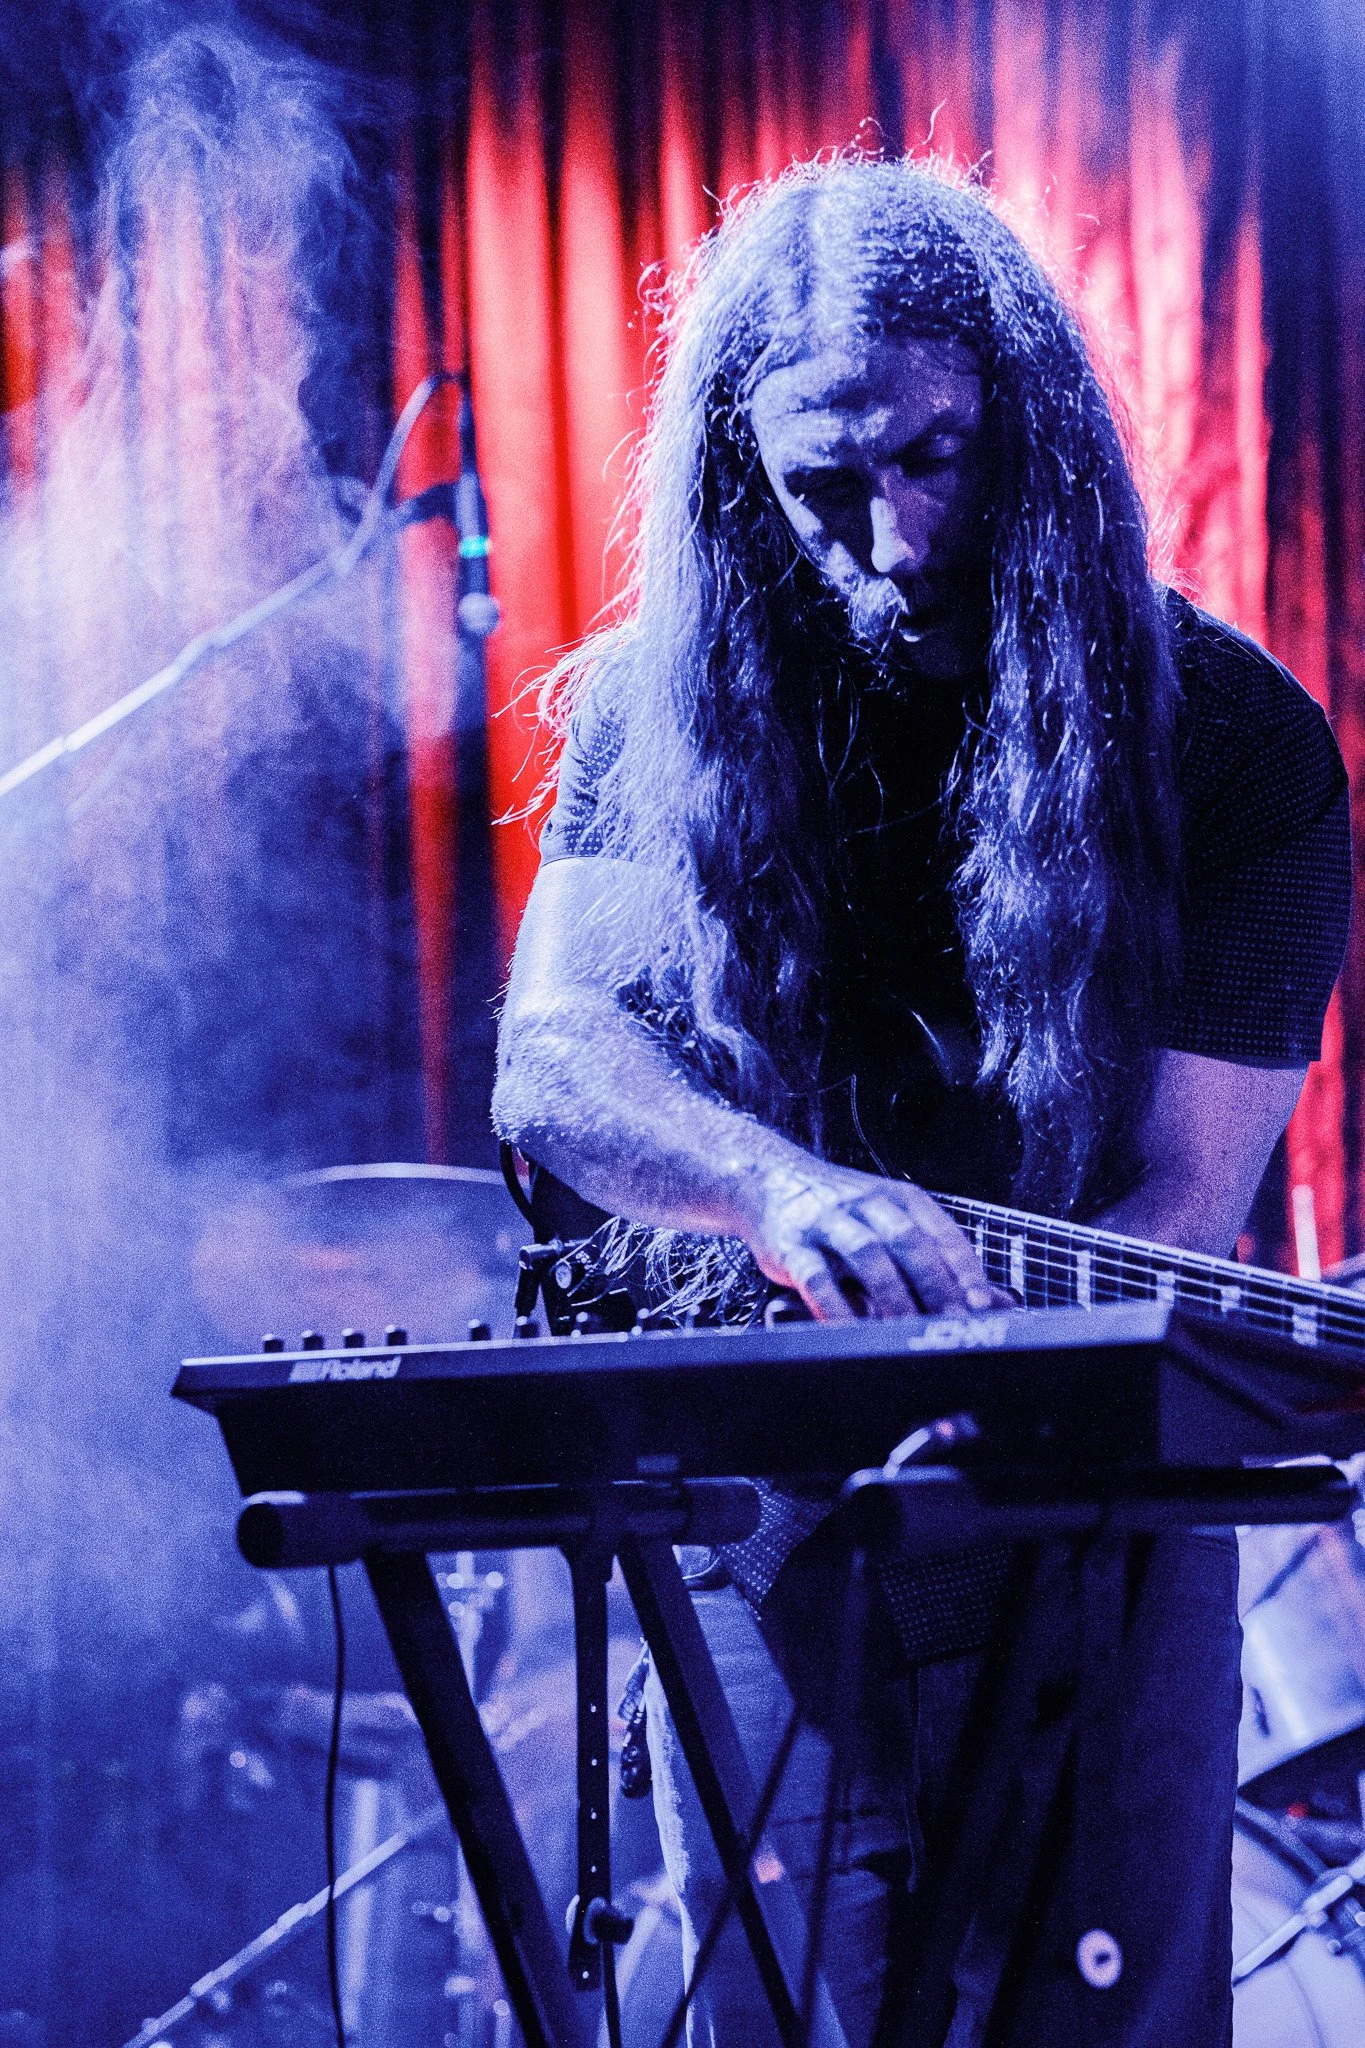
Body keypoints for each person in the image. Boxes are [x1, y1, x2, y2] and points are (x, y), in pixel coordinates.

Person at [492, 156, 1351, 2046]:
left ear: (1028, 419)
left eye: (936, 460)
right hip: (761, 1483)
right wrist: (773, 1192)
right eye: (821, 489)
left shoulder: (1238, 744)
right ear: (743, 479)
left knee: (1092, 2016)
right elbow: (553, 1061)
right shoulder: (668, 702)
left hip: (1090, 1488)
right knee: (783, 2004)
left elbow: (1172, 1217)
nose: (890, 542)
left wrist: (961, 1391)